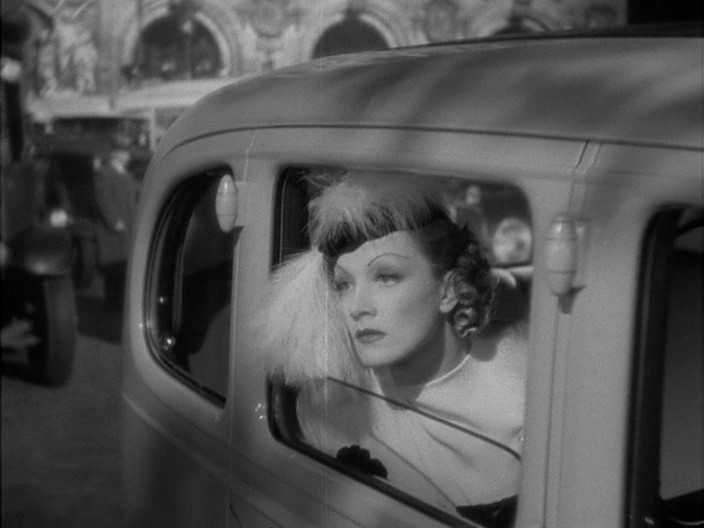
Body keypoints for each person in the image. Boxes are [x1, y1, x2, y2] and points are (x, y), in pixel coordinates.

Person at [256, 171, 526, 523]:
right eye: (343, 285)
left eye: (386, 277)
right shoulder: (327, 402)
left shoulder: (524, 382)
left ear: (448, 290)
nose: (357, 307)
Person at [94, 135, 138, 309]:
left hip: (128, 226)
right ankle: (112, 304)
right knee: (113, 268)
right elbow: (103, 200)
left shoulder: (126, 175)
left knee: (124, 266)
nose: (126, 156)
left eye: (127, 152)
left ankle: (121, 303)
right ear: (114, 153)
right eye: (122, 152)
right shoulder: (105, 173)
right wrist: (114, 221)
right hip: (113, 230)